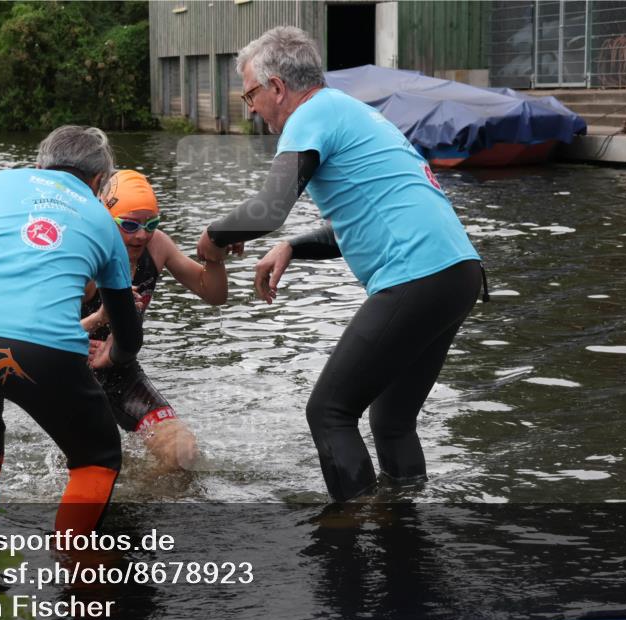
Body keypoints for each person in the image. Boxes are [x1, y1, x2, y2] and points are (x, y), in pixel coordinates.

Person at [196, 26, 487, 502]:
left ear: (276, 87)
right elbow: (363, 219)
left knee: (329, 412)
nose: (249, 106)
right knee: (391, 421)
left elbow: (268, 209)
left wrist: (212, 239)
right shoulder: (352, 113)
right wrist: (293, 246)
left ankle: (354, 533)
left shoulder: (310, 115)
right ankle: (404, 524)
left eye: (249, 93)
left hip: (417, 275)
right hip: (457, 274)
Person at [0, 125, 142, 535]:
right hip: (46, 349)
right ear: (98, 181)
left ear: (40, 163)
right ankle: (79, 567)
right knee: (98, 457)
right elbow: (128, 333)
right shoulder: (101, 218)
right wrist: (115, 356)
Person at [83, 169, 228, 471]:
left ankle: (148, 507)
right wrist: (99, 318)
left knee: (182, 454)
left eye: (150, 223)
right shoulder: (87, 255)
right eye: (130, 224)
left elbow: (213, 294)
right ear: (107, 220)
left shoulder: (157, 245)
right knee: (92, 463)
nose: (141, 235)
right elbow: (39, 333)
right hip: (73, 377)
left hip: (122, 372)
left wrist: (215, 255)